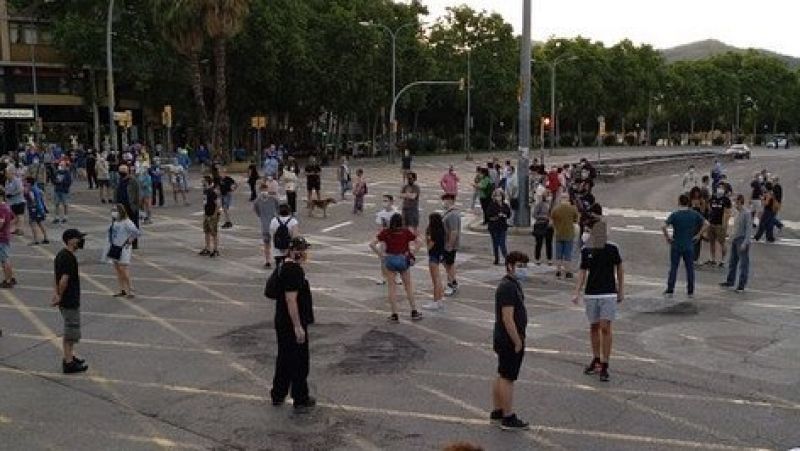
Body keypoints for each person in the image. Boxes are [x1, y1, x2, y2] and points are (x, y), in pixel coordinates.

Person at [572, 219, 624, 382]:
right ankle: (596, 358)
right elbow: (582, 271)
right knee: (594, 327)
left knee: (605, 327)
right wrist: (577, 292)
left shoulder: (612, 249)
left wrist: (621, 290)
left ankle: (605, 363)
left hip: (608, 293)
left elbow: (620, 268)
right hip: (591, 293)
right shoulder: (586, 250)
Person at [269, 237, 316, 412]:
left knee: (284, 358)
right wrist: (298, 326)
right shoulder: (293, 271)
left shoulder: (282, 265)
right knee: (299, 361)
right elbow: (291, 299)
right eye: (303, 250)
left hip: (281, 320)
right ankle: (300, 397)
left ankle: (278, 394)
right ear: (294, 251)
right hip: (291, 322)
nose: (305, 253)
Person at [490, 250, 530, 430]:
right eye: (520, 266)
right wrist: (517, 340)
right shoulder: (507, 287)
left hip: (503, 338)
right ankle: (508, 416)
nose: (523, 270)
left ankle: (498, 410)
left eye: (525, 266)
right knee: (508, 377)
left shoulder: (513, 284)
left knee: (502, 373)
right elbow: (508, 318)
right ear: (509, 266)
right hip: (508, 339)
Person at [369, 213, 422, 322]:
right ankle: (414, 311)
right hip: (403, 259)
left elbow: (372, 244)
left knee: (392, 288)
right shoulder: (405, 232)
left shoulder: (386, 232)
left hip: (390, 259)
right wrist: (412, 253)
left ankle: (394, 314)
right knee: (408, 287)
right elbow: (420, 242)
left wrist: (381, 255)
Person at [53, 228, 88, 374]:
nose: (81, 241)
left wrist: (56, 294)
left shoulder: (62, 255)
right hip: (69, 300)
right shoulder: (68, 257)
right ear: (70, 240)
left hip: (66, 299)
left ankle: (71, 356)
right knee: (71, 332)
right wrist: (60, 295)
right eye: (78, 238)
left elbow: (56, 276)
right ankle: (68, 363)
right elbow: (63, 280)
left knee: (72, 330)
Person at [662, 194, 709, 298]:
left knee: (674, 267)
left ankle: (670, 289)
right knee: (690, 268)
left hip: (677, 244)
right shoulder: (693, 214)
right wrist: (698, 235)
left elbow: (664, 226)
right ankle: (690, 290)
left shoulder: (675, 215)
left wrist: (668, 238)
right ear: (688, 203)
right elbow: (706, 223)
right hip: (689, 243)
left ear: (679, 202)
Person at [103, 204, 140, 298]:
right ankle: (122, 290)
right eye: (113, 210)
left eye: (115, 210)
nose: (113, 212)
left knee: (123, 269)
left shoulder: (127, 222)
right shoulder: (115, 222)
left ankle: (131, 290)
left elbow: (136, 232)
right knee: (118, 270)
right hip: (115, 247)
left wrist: (129, 241)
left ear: (121, 211)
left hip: (124, 248)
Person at [720, 195, 752, 293]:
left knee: (743, 264)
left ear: (740, 202)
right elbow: (734, 227)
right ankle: (730, 281)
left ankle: (741, 285)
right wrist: (729, 238)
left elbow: (748, 229)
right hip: (735, 239)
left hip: (742, 240)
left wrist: (745, 242)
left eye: (735, 202)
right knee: (732, 262)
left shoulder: (746, 213)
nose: (734, 204)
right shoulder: (736, 213)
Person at [551, 193, 579, 279]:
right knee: (568, 254)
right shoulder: (572, 209)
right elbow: (576, 220)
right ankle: (568, 272)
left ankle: (558, 271)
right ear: (568, 199)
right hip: (569, 233)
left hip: (558, 233)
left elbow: (552, 220)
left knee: (558, 254)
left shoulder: (556, 209)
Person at [422, 212, 446, 311]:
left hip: (433, 256)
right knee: (438, 279)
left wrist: (427, 246)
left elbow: (430, 244)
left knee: (435, 279)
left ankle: (435, 301)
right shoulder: (442, 230)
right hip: (439, 254)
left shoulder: (433, 232)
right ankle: (439, 300)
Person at [375, 194, 400, 286]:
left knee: (395, 258)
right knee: (383, 258)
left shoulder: (396, 213)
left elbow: (400, 227)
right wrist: (380, 239)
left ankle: (396, 277)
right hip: (384, 239)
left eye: (386, 201)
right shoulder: (381, 214)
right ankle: (384, 277)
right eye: (383, 201)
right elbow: (379, 227)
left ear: (391, 202)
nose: (384, 203)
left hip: (394, 239)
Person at [705, 186, 732, 267]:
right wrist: (710, 213)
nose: (720, 190)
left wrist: (725, 225)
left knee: (722, 242)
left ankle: (723, 260)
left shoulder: (726, 200)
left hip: (720, 224)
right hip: (712, 223)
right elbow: (708, 205)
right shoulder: (713, 198)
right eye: (719, 188)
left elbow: (728, 213)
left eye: (722, 188)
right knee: (711, 242)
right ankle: (713, 259)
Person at [254, 183, 279, 267]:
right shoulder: (258, 201)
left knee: (269, 244)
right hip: (269, 225)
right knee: (268, 243)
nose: (264, 192)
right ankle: (269, 260)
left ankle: (269, 260)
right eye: (262, 190)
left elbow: (257, 212)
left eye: (265, 190)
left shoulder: (272, 199)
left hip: (270, 224)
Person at [115, 165, 140, 249]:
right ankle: (124, 242)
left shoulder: (133, 181)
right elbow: (116, 192)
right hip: (121, 207)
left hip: (131, 206)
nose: (121, 173)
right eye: (120, 171)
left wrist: (136, 205)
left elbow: (138, 193)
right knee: (122, 225)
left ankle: (134, 243)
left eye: (123, 171)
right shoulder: (119, 181)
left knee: (133, 225)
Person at [441, 193, 461, 297]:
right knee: (449, 264)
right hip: (446, 243)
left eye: (445, 200)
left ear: (451, 200)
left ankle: (450, 285)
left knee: (448, 264)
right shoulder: (449, 212)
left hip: (449, 245)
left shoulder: (453, 214)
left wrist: (449, 245)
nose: (443, 202)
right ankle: (453, 282)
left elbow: (454, 231)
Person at [269, 203, 299, 268]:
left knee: (278, 266)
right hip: (288, 249)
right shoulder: (293, 221)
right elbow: (295, 236)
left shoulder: (274, 220)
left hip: (277, 248)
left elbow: (272, 234)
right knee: (289, 267)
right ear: (289, 211)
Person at [486, 189, 511, 265]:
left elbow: (509, 214)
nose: (498, 197)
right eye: (496, 196)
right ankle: (497, 258)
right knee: (495, 243)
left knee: (502, 243)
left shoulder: (505, 205)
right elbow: (488, 215)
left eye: (499, 195)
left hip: (502, 226)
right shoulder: (492, 205)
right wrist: (496, 216)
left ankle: (507, 258)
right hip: (494, 227)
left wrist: (504, 215)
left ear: (502, 196)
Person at [199, 176, 221, 257]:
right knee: (206, 231)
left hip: (212, 215)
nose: (202, 183)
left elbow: (218, 204)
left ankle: (215, 249)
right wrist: (205, 214)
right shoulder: (205, 191)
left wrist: (214, 215)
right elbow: (205, 203)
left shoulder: (212, 192)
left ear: (207, 182)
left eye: (203, 182)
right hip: (207, 214)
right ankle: (207, 248)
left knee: (214, 232)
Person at [24, 177, 49, 245]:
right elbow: (42, 194)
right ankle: (46, 238)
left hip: (34, 209)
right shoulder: (36, 188)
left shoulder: (31, 190)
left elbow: (32, 199)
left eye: (25, 181)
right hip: (40, 208)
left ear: (29, 183)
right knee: (40, 223)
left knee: (33, 224)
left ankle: (36, 240)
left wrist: (27, 193)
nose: (24, 183)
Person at [0, 189, 17, 288]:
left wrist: (5, 227)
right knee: (6, 259)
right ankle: (11, 278)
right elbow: (14, 218)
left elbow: (0, 223)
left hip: (2, 238)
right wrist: (8, 227)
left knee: (4, 260)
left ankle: (8, 280)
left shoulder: (1, 208)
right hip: (5, 236)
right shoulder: (6, 206)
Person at [532, 192, 553, 265]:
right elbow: (534, 214)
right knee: (539, 243)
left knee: (549, 243)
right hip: (540, 225)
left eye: (549, 196)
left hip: (549, 226)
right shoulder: (539, 204)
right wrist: (544, 217)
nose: (549, 197)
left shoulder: (552, 205)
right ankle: (537, 258)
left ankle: (549, 259)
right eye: (547, 196)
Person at [5, 168, 26, 236]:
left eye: (8, 173)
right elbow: (7, 190)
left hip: (19, 201)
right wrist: (7, 194)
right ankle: (16, 229)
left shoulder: (17, 180)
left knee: (20, 216)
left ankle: (21, 230)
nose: (6, 175)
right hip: (11, 202)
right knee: (14, 216)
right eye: (6, 173)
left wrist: (12, 194)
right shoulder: (7, 181)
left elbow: (21, 189)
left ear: (12, 174)